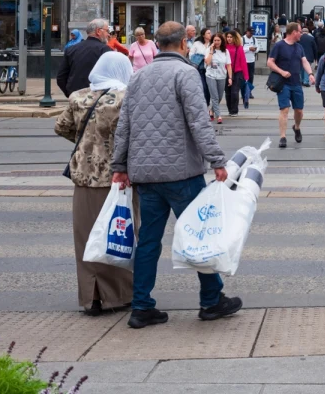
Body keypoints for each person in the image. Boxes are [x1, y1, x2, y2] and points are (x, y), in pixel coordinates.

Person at [111, 22, 240, 328]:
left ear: (157, 44)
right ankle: (211, 301)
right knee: (200, 236)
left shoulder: (138, 76)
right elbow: (199, 122)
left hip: (145, 174)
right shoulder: (186, 74)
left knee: (148, 242)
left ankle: (141, 306)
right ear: (184, 43)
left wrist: (119, 167)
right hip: (182, 173)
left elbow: (124, 126)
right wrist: (217, 161)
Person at [54, 52, 134, 315]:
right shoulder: (126, 98)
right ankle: (119, 295)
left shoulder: (78, 97)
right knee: (117, 237)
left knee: (87, 239)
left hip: (84, 177)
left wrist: (87, 144)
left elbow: (62, 128)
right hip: (118, 177)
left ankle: (91, 298)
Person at [268, 22, 313, 149]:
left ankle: (297, 127)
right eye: (300, 31)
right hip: (283, 84)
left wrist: (310, 74)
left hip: (296, 83)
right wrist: (281, 72)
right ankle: (283, 137)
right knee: (285, 109)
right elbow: (269, 62)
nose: (301, 34)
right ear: (294, 32)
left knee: (299, 111)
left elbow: (304, 61)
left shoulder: (299, 47)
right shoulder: (279, 46)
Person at [58, 19, 114, 97]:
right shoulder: (105, 50)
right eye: (107, 31)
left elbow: (61, 77)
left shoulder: (71, 49)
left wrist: (70, 94)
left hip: (76, 98)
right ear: (98, 31)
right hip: (97, 99)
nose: (108, 35)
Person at [203, 33, 231, 124]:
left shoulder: (225, 51)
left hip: (222, 76)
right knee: (214, 96)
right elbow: (207, 62)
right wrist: (211, 50)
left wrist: (230, 77)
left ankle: (211, 110)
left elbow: (229, 65)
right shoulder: (209, 50)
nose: (216, 42)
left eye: (218, 40)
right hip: (211, 75)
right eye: (215, 40)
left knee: (219, 97)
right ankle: (218, 115)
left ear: (221, 41)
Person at [224, 30, 249, 114]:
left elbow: (243, 62)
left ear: (235, 38)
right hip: (226, 72)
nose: (229, 39)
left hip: (237, 72)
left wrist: (246, 76)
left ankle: (234, 110)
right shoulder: (224, 47)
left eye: (231, 37)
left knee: (234, 92)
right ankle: (230, 109)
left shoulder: (239, 48)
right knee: (228, 92)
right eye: (228, 37)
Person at [242, 27, 258, 103]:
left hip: (251, 60)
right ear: (247, 32)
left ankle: (249, 91)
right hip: (244, 61)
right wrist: (249, 48)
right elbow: (241, 49)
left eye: (252, 33)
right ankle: (243, 91)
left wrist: (255, 49)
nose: (251, 34)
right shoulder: (242, 39)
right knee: (244, 77)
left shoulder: (254, 39)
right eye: (250, 33)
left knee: (250, 77)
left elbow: (258, 48)